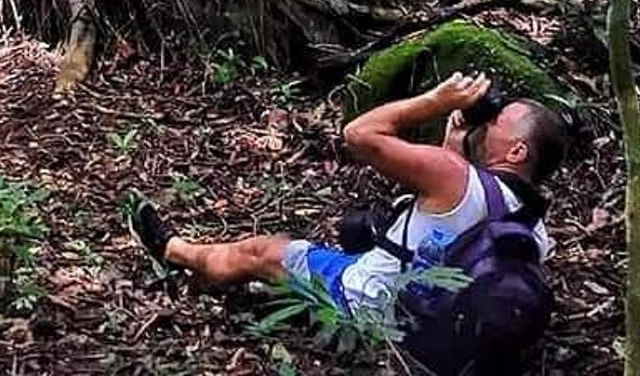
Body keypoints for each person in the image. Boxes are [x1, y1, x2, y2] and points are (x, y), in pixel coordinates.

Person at [129, 72, 568, 354]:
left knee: (263, 250)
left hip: (365, 301)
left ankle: (177, 253)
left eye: (495, 121)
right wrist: (455, 144)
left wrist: (434, 102)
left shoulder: (454, 176)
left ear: (517, 150)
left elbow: (358, 134)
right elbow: (452, 224)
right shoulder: (533, 228)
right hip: (430, 323)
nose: (485, 120)